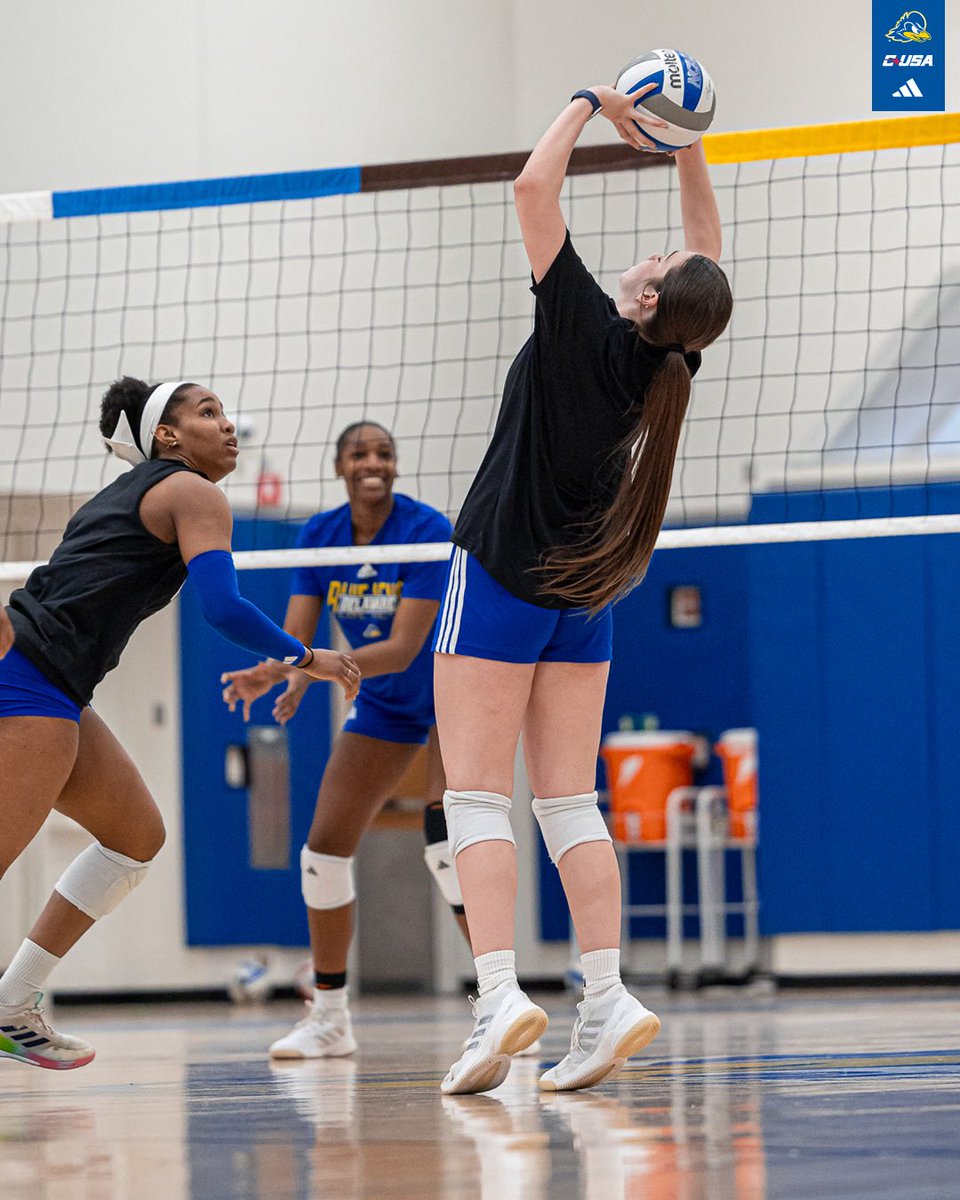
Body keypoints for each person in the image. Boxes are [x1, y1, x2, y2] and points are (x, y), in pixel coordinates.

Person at [432, 84, 733, 1095]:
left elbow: (530, 187)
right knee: (569, 802)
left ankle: (499, 997)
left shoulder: (580, 324)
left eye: (653, 267)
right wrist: (683, 142)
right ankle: (602, 1000)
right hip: (585, 596)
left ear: (648, 299)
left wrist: (587, 102)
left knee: (474, 795)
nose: (647, 256)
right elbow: (706, 253)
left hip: (504, 577)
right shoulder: (671, 358)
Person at [0, 377, 360, 1070]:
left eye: (223, 411)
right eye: (207, 412)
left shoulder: (126, 495)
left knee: (136, 836)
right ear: (166, 436)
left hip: (58, 687)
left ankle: (13, 1003)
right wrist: (306, 656)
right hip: (30, 682)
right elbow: (222, 609)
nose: (227, 425)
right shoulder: (195, 493)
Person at [221, 421, 480, 1061]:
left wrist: (313, 665)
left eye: (384, 454)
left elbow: (402, 647)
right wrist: (278, 669)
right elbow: (296, 636)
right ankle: (332, 1017)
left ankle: (499, 1001)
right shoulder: (320, 534)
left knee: (446, 835)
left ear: (395, 466)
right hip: (384, 704)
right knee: (324, 849)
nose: (374, 463)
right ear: (339, 466)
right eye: (360, 454)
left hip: (454, 688)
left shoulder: (425, 530)